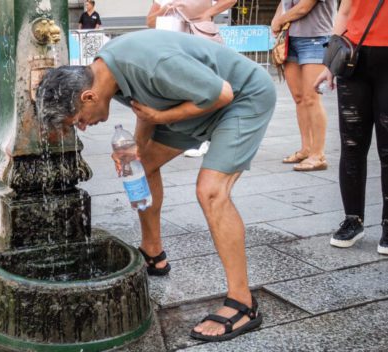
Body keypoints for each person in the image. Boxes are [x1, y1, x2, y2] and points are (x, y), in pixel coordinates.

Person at [37, 29, 275, 342]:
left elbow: (222, 94)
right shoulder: (107, 71)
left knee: (211, 191)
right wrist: (137, 147)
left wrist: (161, 116)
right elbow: (145, 107)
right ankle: (153, 251)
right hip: (193, 107)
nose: (84, 126)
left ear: (88, 97)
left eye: (78, 120)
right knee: (139, 167)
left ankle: (244, 303)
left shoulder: (149, 63)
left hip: (241, 100)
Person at [314, 0, 388, 254]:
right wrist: (329, 65)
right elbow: (344, 11)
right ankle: (352, 220)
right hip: (354, 60)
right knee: (352, 144)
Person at [146, 0, 236, 158]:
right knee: (182, 91)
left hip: (199, 41)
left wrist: (208, 13)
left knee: (203, 87)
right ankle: (188, 136)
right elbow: (150, 22)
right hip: (173, 47)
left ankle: (206, 138)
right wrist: (164, 11)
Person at [271, 0, 335, 171]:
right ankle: (306, 149)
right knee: (299, 98)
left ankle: (318, 154)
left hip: (315, 38)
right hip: (290, 39)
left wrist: (279, 20)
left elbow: (305, 6)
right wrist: (276, 19)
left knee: (311, 98)